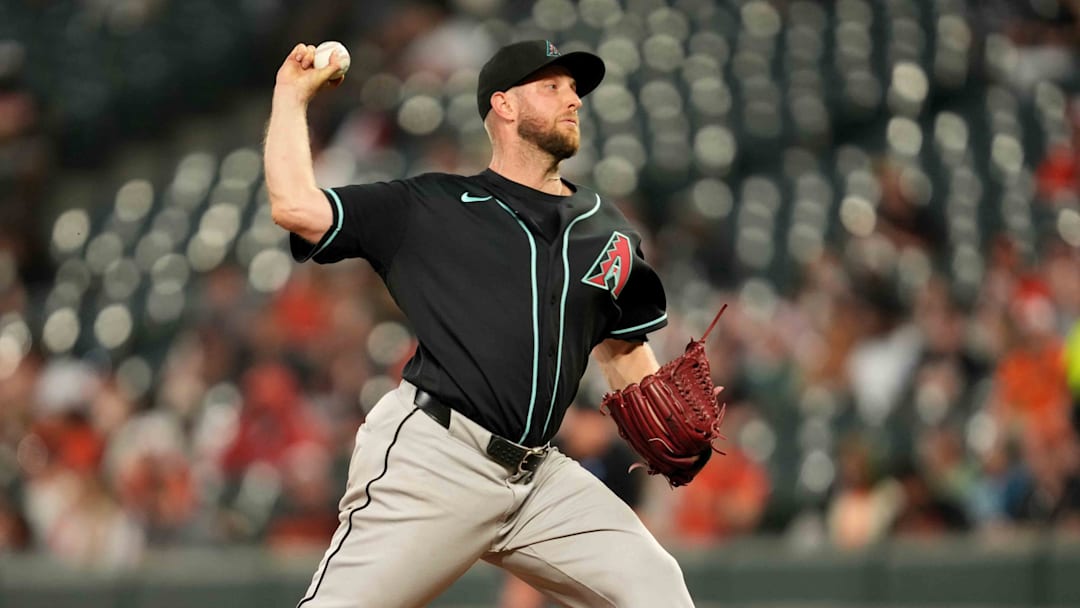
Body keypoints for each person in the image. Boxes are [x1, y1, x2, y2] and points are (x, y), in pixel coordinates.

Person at [264, 39, 696, 607]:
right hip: (436, 459)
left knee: (658, 589)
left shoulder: (606, 228)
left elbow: (623, 348)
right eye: (553, 87)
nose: (574, 101)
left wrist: (663, 413)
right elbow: (295, 205)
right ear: (505, 105)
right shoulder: (429, 207)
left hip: (540, 478)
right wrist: (290, 97)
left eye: (575, 90)